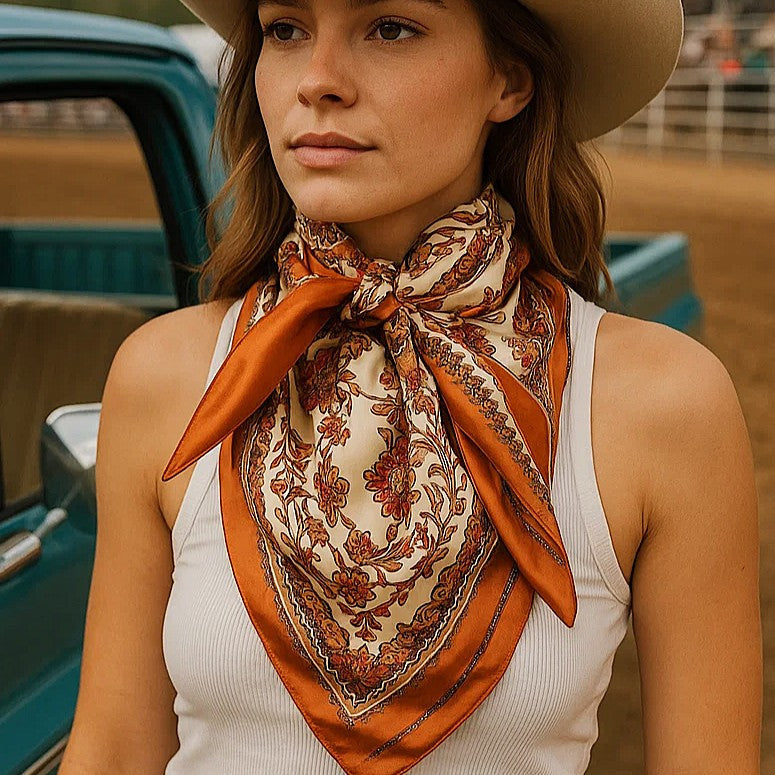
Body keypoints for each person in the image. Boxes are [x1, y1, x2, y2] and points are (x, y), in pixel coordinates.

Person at [60, 0, 762, 773]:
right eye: (285, 29)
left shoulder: (662, 404)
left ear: (511, 80)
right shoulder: (163, 377)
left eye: (390, 27)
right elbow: (115, 751)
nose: (317, 81)